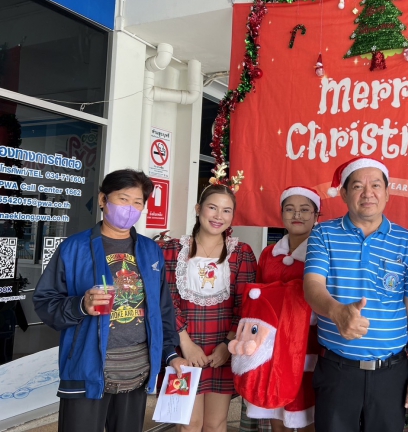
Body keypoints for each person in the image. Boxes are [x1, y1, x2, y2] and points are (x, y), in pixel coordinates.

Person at [33, 169, 188, 432]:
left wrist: (170, 354)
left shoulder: (150, 251)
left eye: (137, 202)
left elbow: (162, 309)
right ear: (103, 199)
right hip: (87, 368)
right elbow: (44, 302)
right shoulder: (74, 248)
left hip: (137, 370)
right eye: (123, 199)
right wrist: (81, 305)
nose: (130, 209)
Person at [303, 158, 408, 432]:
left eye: (375, 185)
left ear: (387, 192)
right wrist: (337, 312)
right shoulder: (323, 234)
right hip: (337, 371)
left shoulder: (407, 242)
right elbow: (312, 286)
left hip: (392, 375)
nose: (368, 193)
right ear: (344, 194)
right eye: (358, 186)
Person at [161, 183, 257, 432]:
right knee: (188, 423)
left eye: (226, 210)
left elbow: (245, 306)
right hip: (183, 348)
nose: (218, 216)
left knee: (215, 424)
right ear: (198, 209)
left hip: (222, 350)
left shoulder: (242, 253)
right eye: (212, 208)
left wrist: (227, 345)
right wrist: (185, 344)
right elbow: (167, 301)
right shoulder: (172, 250)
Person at [243, 186, 322, 432]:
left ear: (316, 215)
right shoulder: (268, 254)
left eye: (305, 209)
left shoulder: (322, 252)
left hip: (308, 345)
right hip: (271, 346)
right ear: (281, 214)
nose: (297, 215)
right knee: (276, 414)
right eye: (290, 209)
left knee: (307, 413)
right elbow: (257, 303)